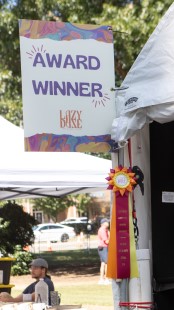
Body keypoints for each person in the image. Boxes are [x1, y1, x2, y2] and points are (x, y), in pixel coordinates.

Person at [97, 218, 110, 285]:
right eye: (107, 222)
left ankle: (101, 279)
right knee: (106, 263)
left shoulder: (105, 230)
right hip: (103, 247)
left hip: (102, 247)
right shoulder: (102, 230)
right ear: (103, 223)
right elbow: (106, 241)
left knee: (103, 263)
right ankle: (106, 278)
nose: (108, 223)